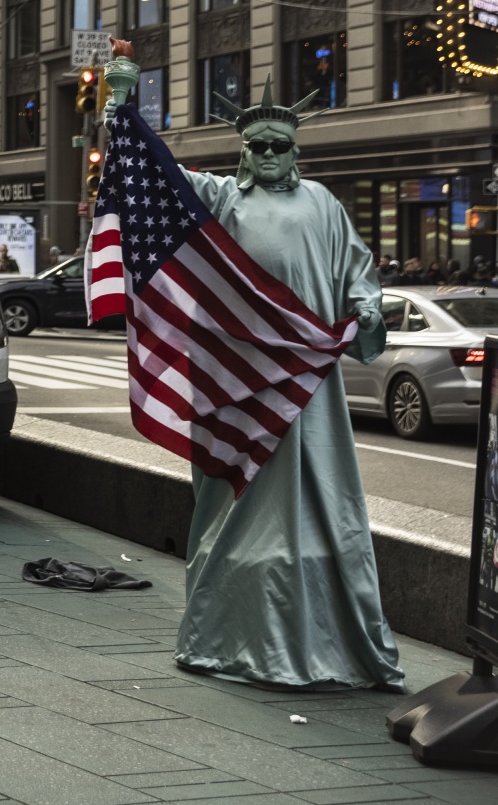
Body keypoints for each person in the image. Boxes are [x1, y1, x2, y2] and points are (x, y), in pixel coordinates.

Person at [106, 54, 402, 691]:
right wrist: (122, 111)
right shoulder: (217, 198)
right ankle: (225, 633)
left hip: (309, 382)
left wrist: (368, 307)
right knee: (230, 500)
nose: (269, 152)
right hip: (236, 379)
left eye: (280, 144)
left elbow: (357, 272)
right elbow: (155, 178)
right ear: (242, 150)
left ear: (296, 151)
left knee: (323, 499)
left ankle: (330, 636)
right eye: (258, 144)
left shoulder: (323, 205)